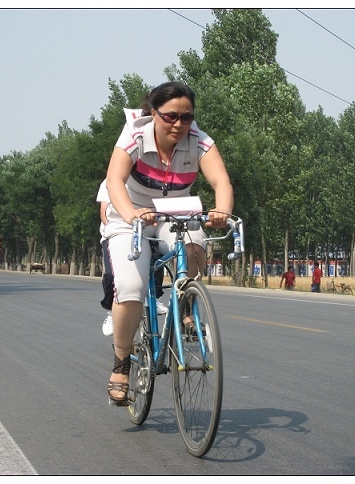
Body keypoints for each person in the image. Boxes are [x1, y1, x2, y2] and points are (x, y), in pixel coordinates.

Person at [103, 81, 234, 406]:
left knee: (193, 248)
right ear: (154, 113)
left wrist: (222, 211)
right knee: (131, 287)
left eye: (187, 117)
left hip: (175, 213)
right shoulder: (134, 133)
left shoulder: (199, 141)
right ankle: (120, 366)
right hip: (129, 214)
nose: (179, 124)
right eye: (171, 116)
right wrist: (132, 214)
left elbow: (221, 181)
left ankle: (186, 303)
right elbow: (114, 180)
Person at [97, 180, 168, 337]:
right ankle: (111, 310)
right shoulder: (111, 181)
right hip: (120, 232)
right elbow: (104, 212)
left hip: (148, 233)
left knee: (157, 261)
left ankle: (154, 297)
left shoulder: (151, 179)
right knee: (111, 276)